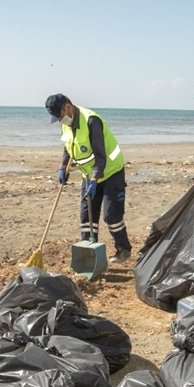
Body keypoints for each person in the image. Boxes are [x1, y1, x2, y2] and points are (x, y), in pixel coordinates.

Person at [45, 93, 131, 262]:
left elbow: (100, 156)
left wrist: (94, 181)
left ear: (67, 107)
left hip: (111, 172)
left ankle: (123, 249)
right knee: (86, 216)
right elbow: (68, 146)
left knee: (111, 215)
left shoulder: (91, 121)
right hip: (88, 174)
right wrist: (63, 167)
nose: (60, 120)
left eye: (60, 116)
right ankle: (89, 254)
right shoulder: (66, 123)